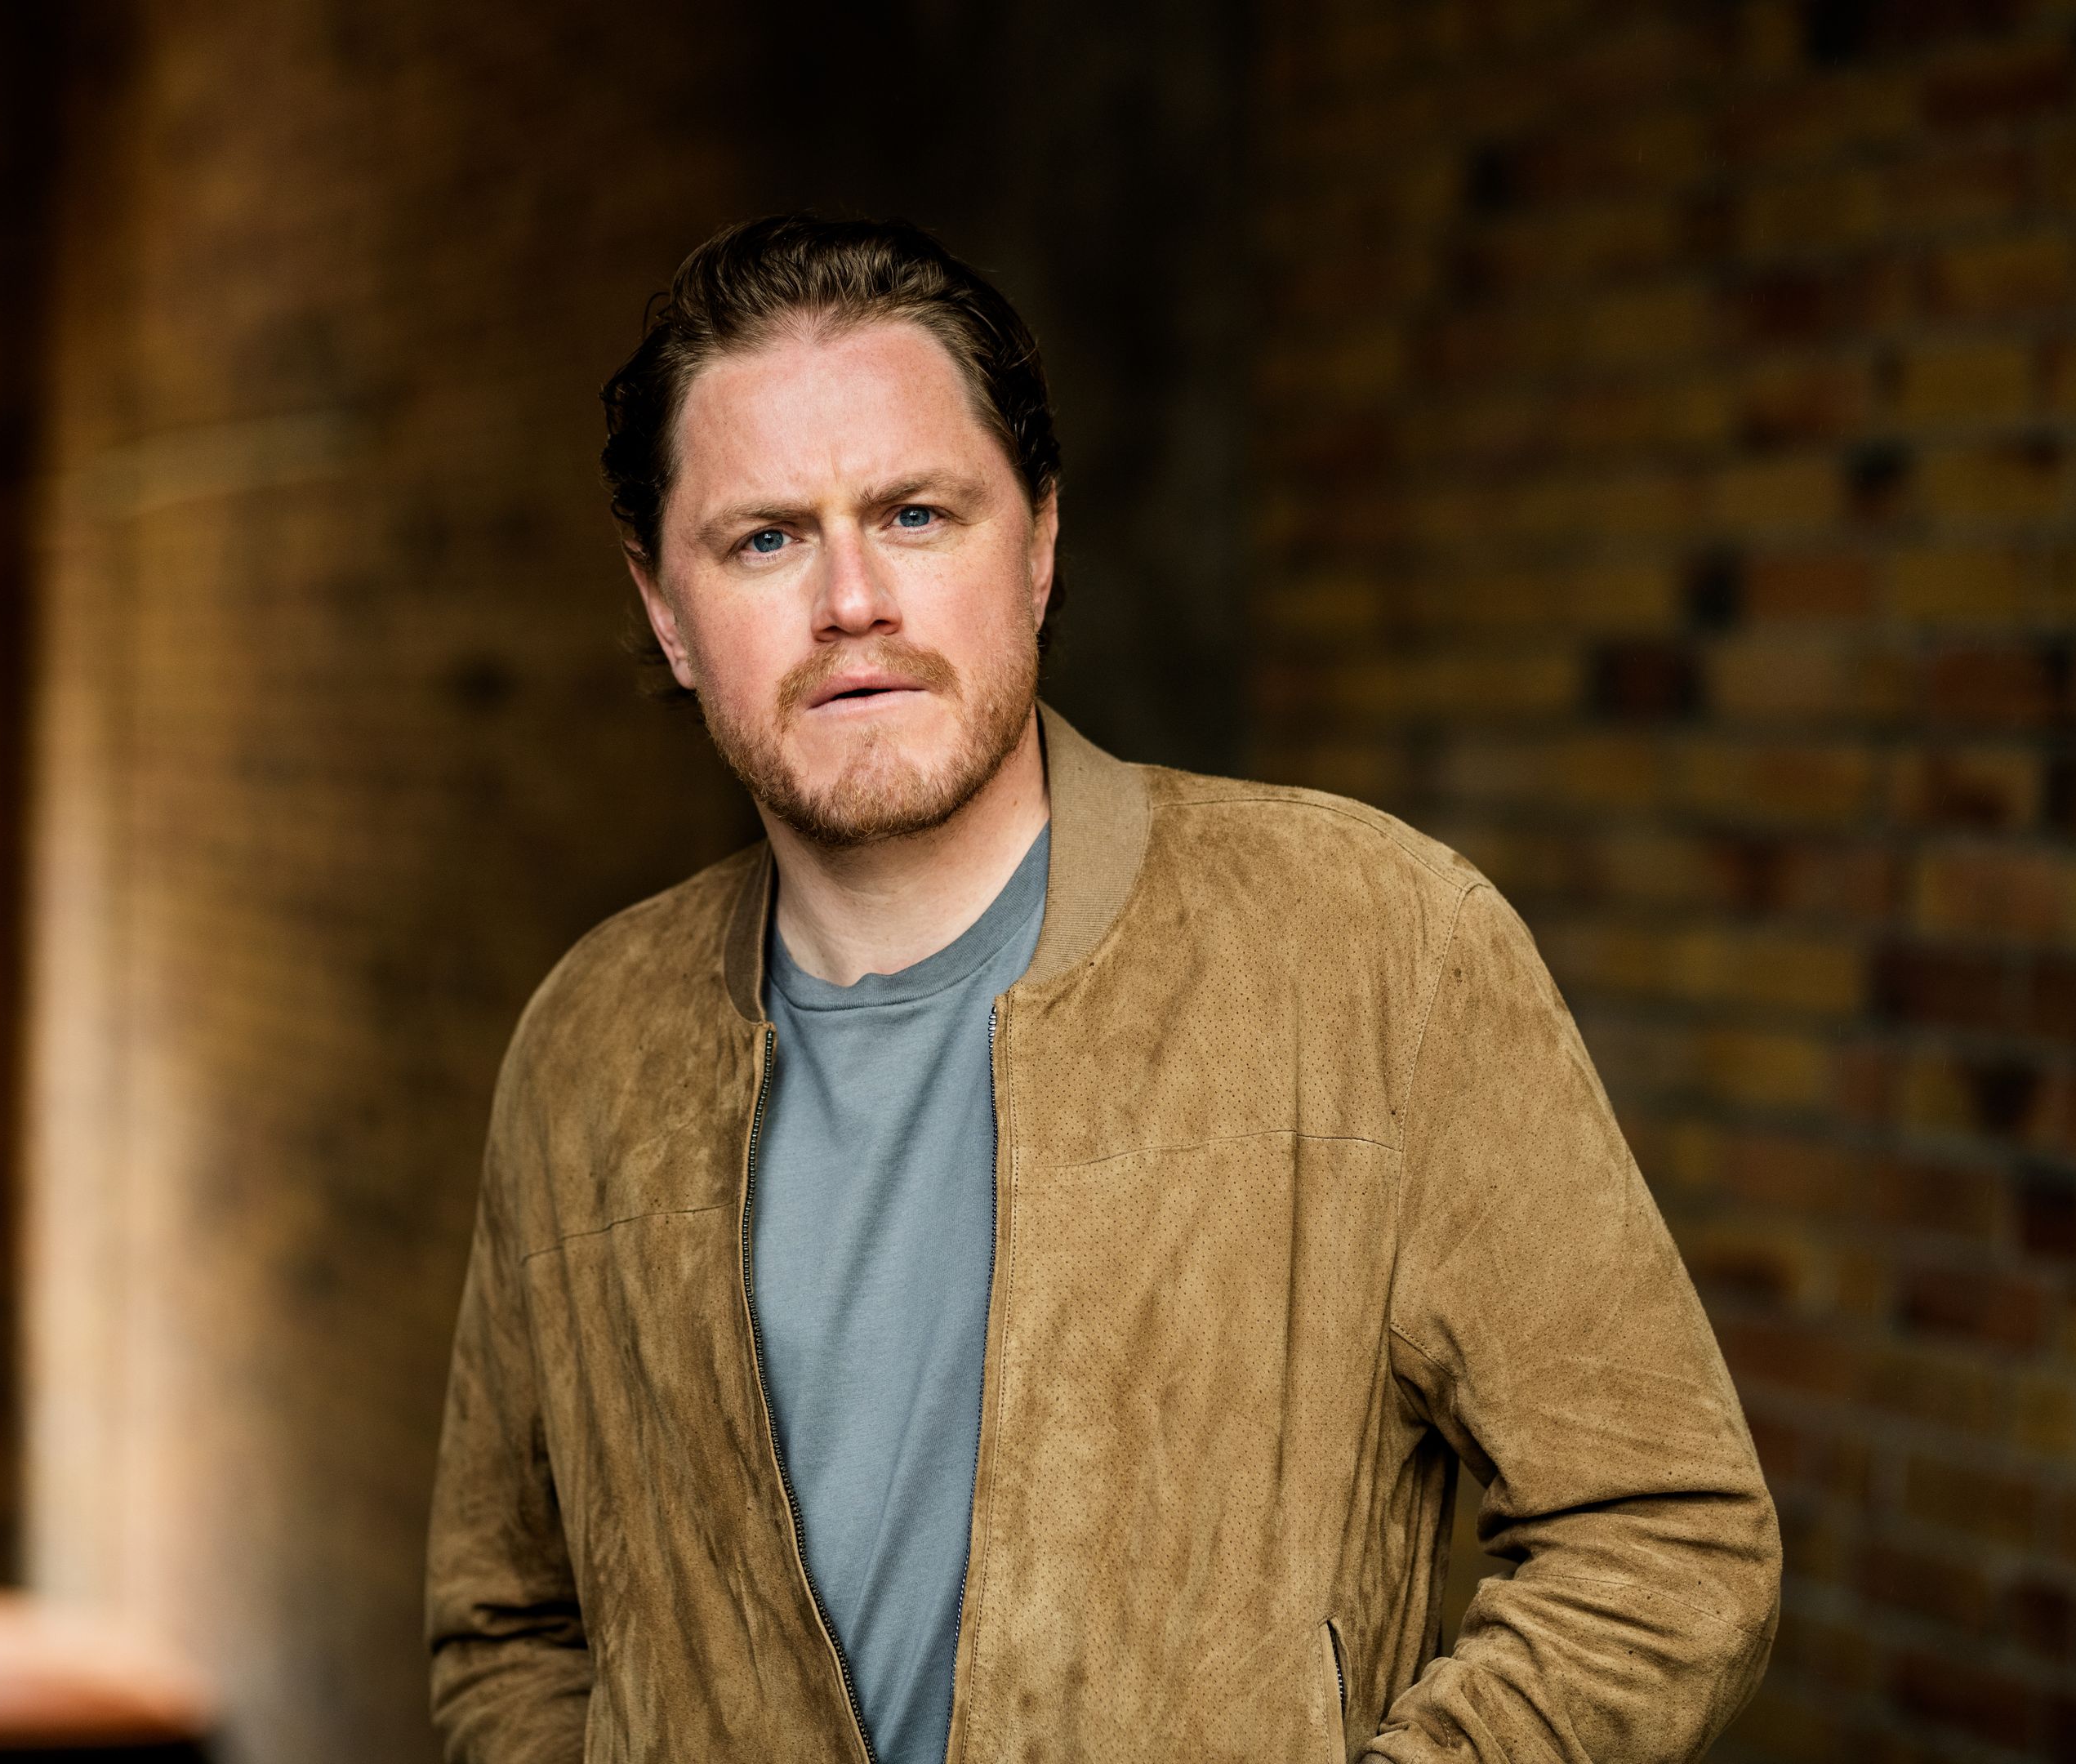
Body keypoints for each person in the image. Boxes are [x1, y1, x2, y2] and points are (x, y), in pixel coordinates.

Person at [424, 215, 1780, 1764]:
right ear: (667, 610)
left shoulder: (1378, 948)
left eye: (917, 514)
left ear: (1040, 545)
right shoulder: (587, 1044)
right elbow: (508, 1629)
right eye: (767, 540)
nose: (852, 599)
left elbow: (1666, 1540)